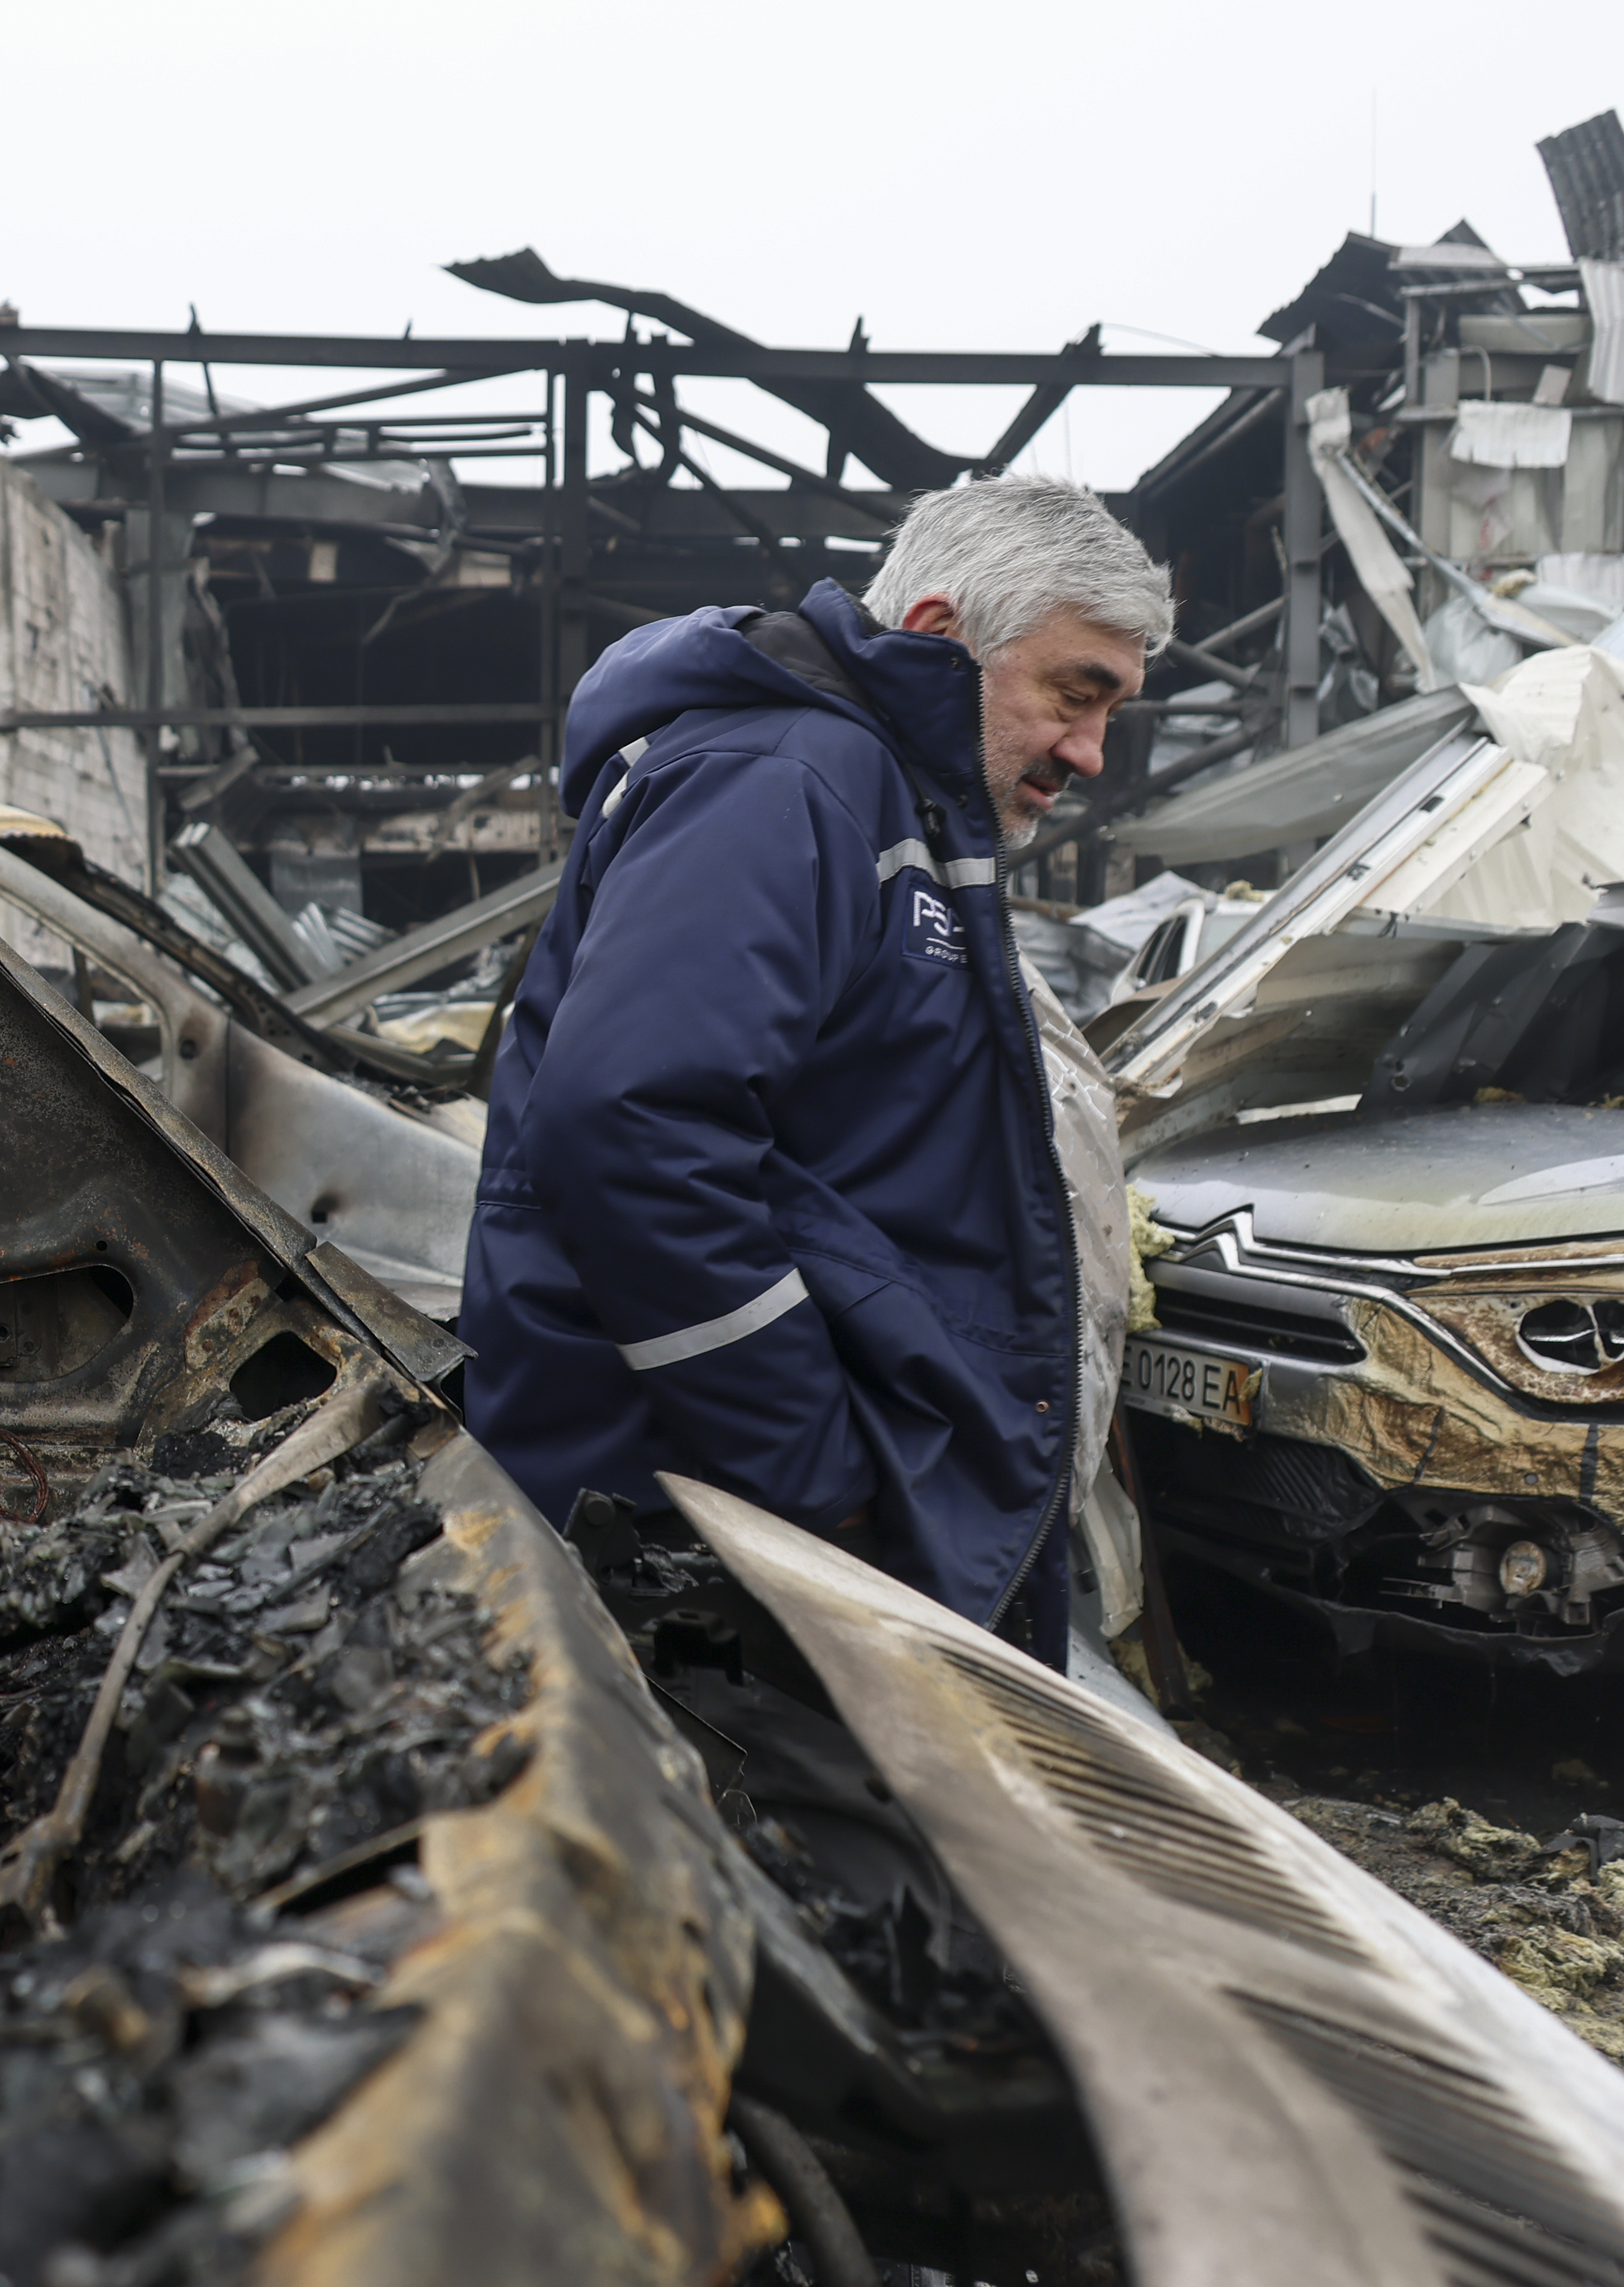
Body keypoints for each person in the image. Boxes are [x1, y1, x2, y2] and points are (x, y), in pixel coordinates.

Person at [462, 474, 1164, 1660]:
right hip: (706, 1533)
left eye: (1111, 712)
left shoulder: (891, 806)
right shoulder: (790, 778)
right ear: (940, 635)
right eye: (1072, 693)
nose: (1090, 752)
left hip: (762, 1517)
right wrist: (824, 1482)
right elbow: (630, 1130)